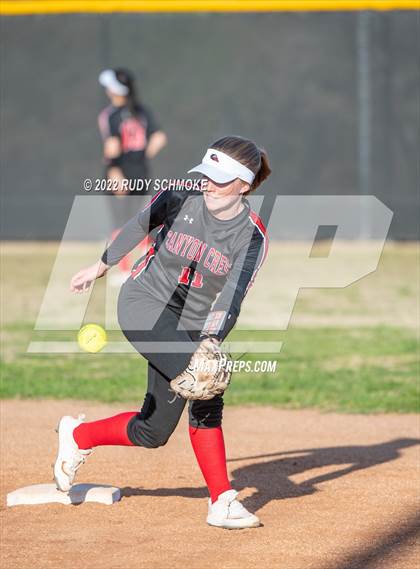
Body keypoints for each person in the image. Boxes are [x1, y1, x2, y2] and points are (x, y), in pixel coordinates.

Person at [54, 135, 271, 529]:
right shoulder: (181, 196)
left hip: (191, 321)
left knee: (153, 431)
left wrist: (209, 341)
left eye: (220, 178)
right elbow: (139, 226)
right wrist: (99, 267)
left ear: (244, 183)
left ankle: (78, 435)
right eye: (205, 174)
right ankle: (221, 500)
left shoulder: (251, 235)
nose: (207, 183)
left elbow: (232, 297)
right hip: (144, 302)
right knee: (207, 385)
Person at [98, 68, 167, 282]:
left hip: (120, 171)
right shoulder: (142, 111)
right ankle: (152, 263)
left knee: (120, 222)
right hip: (141, 171)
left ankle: (126, 270)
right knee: (137, 221)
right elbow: (159, 138)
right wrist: (141, 157)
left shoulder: (110, 115)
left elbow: (112, 147)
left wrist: (114, 170)